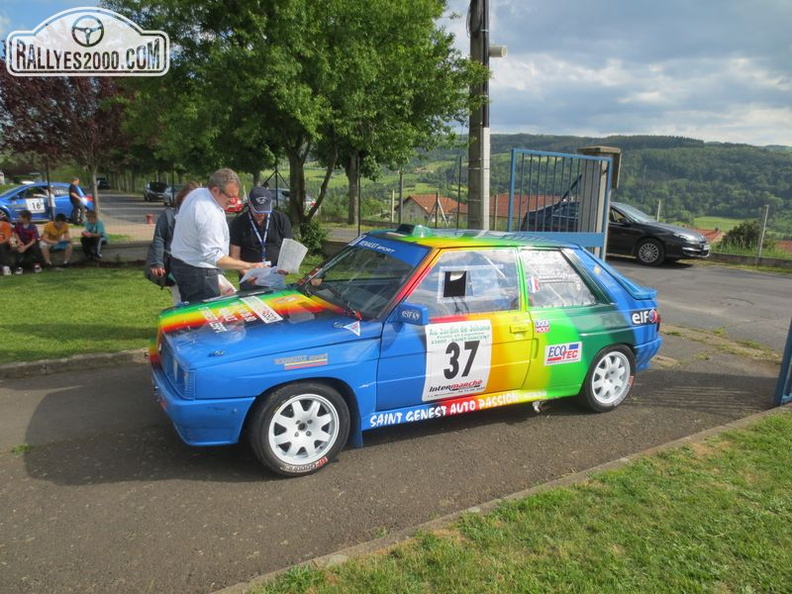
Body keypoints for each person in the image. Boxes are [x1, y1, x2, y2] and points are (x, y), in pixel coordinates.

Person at [169, 169, 265, 303]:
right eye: (230, 196)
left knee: (193, 312)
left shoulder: (198, 193)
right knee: (205, 318)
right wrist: (249, 266)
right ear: (215, 190)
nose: (233, 201)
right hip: (199, 272)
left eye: (236, 196)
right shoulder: (209, 214)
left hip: (184, 265)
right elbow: (214, 256)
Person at [229, 186, 293, 291]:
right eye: (257, 211)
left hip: (275, 278)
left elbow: (289, 250)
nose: (261, 214)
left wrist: (287, 267)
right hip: (250, 280)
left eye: (264, 210)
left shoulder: (281, 219)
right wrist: (249, 276)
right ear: (249, 204)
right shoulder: (238, 223)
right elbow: (234, 257)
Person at [145, 181, 199, 305]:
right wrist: (157, 263)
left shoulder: (199, 216)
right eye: (189, 198)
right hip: (174, 265)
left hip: (195, 266)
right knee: (180, 299)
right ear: (182, 197)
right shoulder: (169, 215)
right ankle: (181, 323)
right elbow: (158, 238)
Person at [0, 211, 14, 275]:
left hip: (4, 243)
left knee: (1, 246)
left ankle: (6, 267)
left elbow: (7, 239)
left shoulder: (6, 225)